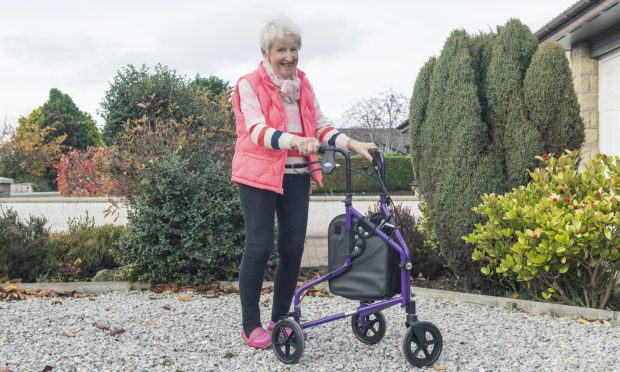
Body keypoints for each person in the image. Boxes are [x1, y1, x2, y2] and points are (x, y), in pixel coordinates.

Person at [231, 17, 376, 349]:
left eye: (293, 49)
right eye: (281, 50)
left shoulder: (303, 86)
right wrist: (296, 141)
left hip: (296, 175)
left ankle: (280, 318)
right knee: (259, 246)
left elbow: (320, 126)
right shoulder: (248, 84)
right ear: (266, 53)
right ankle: (250, 324)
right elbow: (256, 130)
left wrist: (351, 144)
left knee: (293, 248)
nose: (289, 56)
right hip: (259, 177)